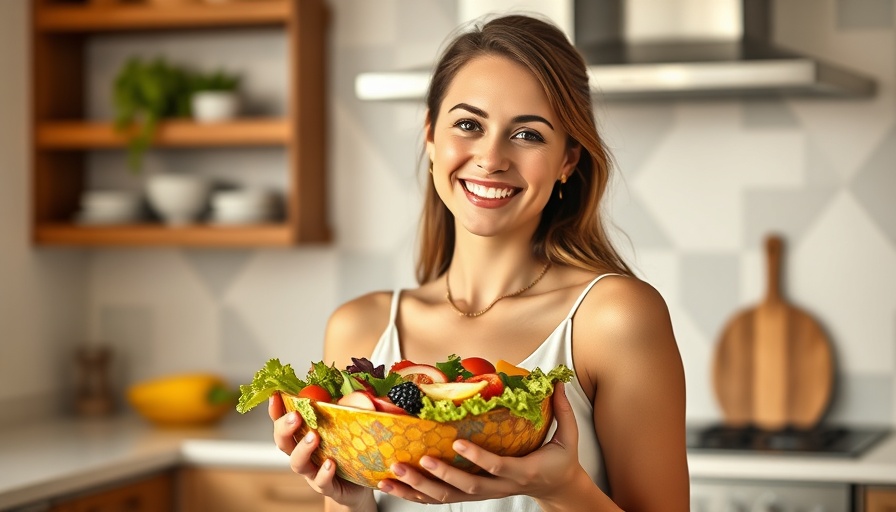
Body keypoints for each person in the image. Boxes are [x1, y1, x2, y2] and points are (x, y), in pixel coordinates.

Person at [269, 13, 689, 512]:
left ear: (568, 161)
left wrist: (561, 489)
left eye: (529, 134)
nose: (491, 158)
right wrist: (351, 500)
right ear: (430, 135)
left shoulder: (614, 318)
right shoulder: (359, 328)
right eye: (469, 124)